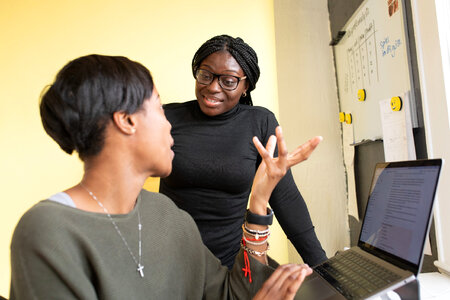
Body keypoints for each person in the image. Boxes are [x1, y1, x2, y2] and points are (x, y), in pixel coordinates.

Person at [9, 54, 322, 299]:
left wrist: (258, 202)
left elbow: (230, 293)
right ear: (127, 121)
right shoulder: (47, 231)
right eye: (159, 109)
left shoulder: (167, 215)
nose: (171, 125)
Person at [161, 34, 327, 269]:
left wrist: (321, 265)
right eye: (205, 75)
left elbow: (286, 197)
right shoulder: (168, 117)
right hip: (168, 263)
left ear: (245, 85)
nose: (212, 87)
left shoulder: (260, 122)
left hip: (229, 266)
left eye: (228, 81)